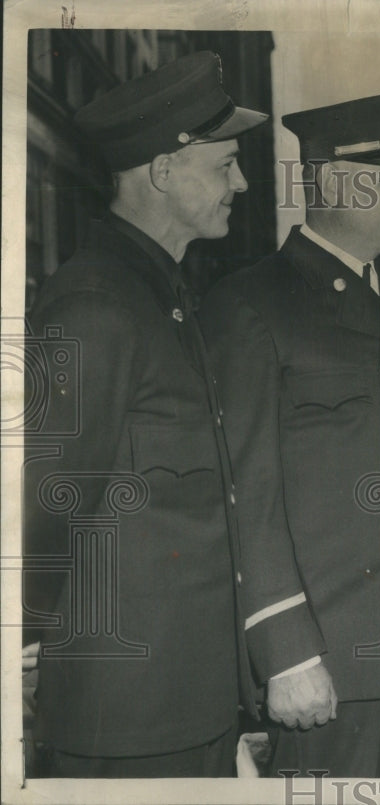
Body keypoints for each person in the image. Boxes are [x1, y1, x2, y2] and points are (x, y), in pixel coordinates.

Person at [199, 92, 380, 779]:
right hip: (331, 660)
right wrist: (285, 650)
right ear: (328, 181)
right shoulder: (249, 305)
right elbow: (247, 492)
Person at [22, 51, 267, 777]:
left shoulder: (164, 296)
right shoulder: (97, 304)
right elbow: (44, 505)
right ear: (163, 170)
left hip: (183, 706)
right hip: (123, 723)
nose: (243, 182)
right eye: (226, 165)